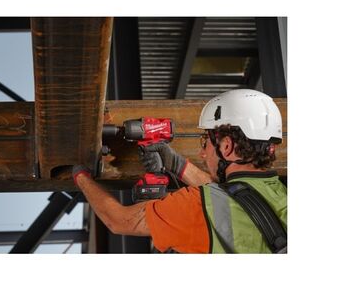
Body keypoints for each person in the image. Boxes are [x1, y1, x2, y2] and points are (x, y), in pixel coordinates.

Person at [72, 88, 287, 253]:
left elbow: (119, 220)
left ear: (226, 146)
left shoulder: (195, 207)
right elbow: (233, 198)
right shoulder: (281, 194)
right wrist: (177, 165)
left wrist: (80, 174)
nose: (202, 154)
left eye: (206, 142)